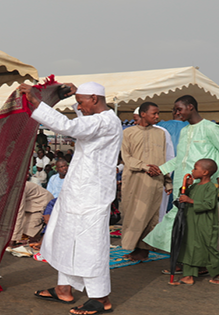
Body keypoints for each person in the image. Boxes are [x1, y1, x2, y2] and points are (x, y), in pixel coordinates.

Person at [20, 81, 121, 314]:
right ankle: (63, 288)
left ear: (94, 98)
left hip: (92, 195)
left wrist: (38, 104)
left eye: (81, 102)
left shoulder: (107, 121)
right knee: (65, 237)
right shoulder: (96, 120)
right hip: (77, 192)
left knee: (90, 244)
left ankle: (100, 297)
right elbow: (83, 124)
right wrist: (76, 97)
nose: (80, 106)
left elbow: (71, 127)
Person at [144, 95, 219, 253]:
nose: (177, 113)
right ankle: (179, 257)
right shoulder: (184, 131)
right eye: (175, 110)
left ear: (190, 107)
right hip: (182, 182)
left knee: (196, 223)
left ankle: (204, 263)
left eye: (179, 109)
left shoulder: (210, 128)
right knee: (178, 219)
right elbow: (180, 158)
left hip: (201, 184)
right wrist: (161, 169)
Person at [120, 102, 172, 261]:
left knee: (150, 217)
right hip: (134, 180)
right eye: (154, 113)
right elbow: (126, 157)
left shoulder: (161, 133)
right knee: (132, 214)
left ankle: (143, 251)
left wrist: (167, 181)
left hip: (154, 181)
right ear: (143, 114)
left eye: (158, 113)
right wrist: (144, 167)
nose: (157, 117)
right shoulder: (128, 132)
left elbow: (164, 158)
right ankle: (133, 247)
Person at [171, 159, 219, 286]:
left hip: (205, 223)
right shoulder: (194, 186)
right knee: (189, 246)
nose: (192, 171)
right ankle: (189, 275)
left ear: (205, 172)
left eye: (195, 168)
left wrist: (191, 201)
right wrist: (186, 187)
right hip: (191, 221)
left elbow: (210, 204)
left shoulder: (211, 188)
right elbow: (183, 198)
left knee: (207, 247)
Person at [11, 181, 53, 246]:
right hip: (29, 205)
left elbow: (19, 212)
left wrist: (13, 239)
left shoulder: (19, 188)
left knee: (28, 234)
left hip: (41, 203)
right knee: (19, 231)